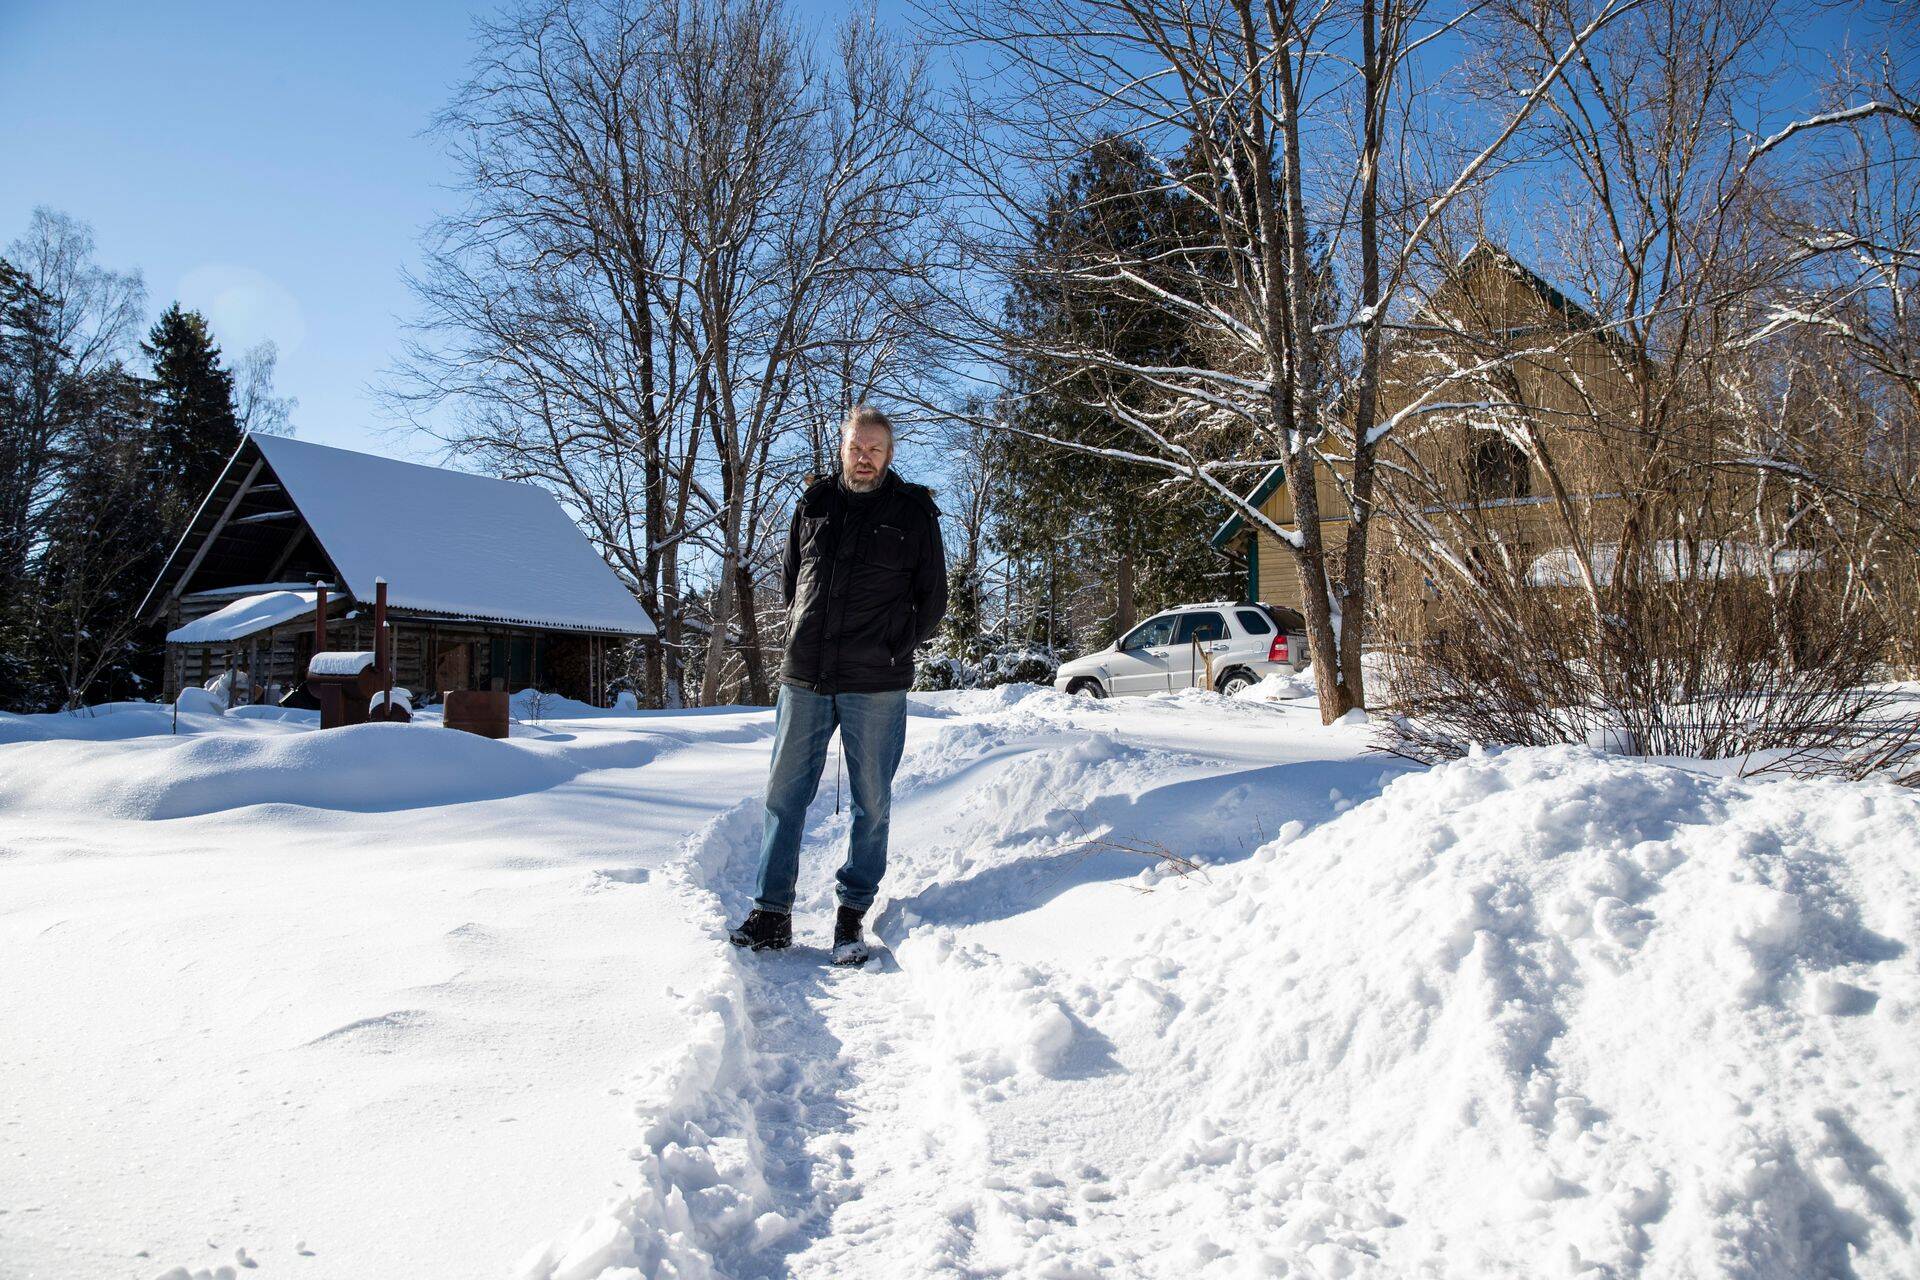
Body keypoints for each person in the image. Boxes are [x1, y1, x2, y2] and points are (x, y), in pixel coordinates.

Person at [728, 405, 948, 965]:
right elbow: (789, 580)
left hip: (875, 682)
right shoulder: (816, 502)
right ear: (842, 448)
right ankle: (771, 912)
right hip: (805, 675)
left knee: (870, 801)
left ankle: (851, 914)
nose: (865, 457)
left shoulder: (915, 512)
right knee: (784, 796)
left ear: (889, 453)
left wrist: (895, 647)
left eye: (875, 448)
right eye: (856, 447)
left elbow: (933, 598)